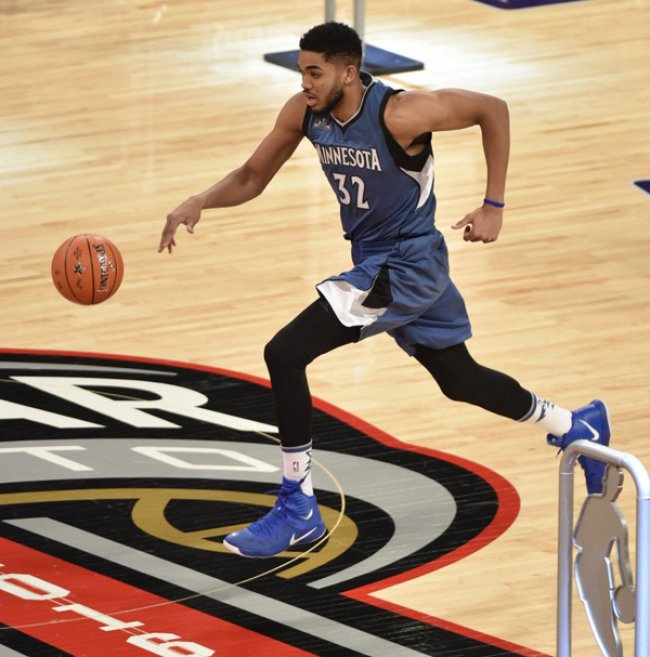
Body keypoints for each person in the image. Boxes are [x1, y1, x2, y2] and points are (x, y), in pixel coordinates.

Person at [159, 22, 611, 559]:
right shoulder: (305, 113)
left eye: (314, 72)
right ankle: (576, 425)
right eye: (301, 71)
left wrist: (494, 205)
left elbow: (493, 108)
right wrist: (200, 200)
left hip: (405, 264)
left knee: (285, 352)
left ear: (348, 72)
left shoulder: (400, 114)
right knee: (459, 379)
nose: (304, 82)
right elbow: (253, 175)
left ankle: (298, 508)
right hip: (380, 261)